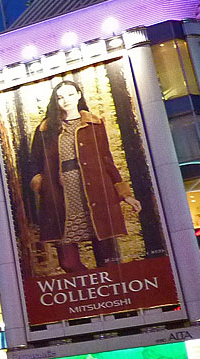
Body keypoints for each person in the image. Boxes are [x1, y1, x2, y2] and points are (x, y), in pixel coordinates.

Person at [29, 79, 141, 275]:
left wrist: (125, 194)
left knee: (106, 256)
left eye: (71, 95)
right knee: (68, 262)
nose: (66, 100)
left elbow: (107, 160)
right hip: (60, 195)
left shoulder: (94, 124)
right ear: (55, 101)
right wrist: (41, 184)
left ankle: (107, 294)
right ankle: (88, 287)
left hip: (94, 191)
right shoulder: (46, 129)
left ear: (79, 95)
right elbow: (33, 161)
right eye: (60, 97)